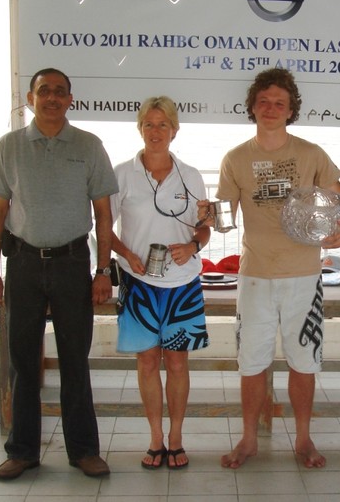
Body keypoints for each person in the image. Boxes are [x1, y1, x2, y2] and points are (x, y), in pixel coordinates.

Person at [197, 68, 340, 469]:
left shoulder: (311, 154)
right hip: (254, 278)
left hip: (304, 277)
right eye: (264, 101)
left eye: (279, 103)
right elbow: (223, 219)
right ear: (252, 107)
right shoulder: (235, 158)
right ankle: (249, 440)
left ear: (291, 111)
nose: (271, 108)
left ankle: (304, 440)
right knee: (251, 364)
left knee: (304, 363)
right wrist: (205, 217)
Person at [0, 68, 118, 479]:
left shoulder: (89, 145)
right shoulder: (8, 147)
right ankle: (22, 451)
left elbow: (103, 213)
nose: (52, 98)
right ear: (30, 98)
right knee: (23, 361)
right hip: (22, 264)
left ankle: (83, 450)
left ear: (70, 100)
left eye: (60, 92)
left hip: (74, 264)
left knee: (75, 359)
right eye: (45, 91)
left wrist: (103, 271)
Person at [110, 96, 211, 470]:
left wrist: (193, 245)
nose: (156, 132)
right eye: (149, 125)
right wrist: (125, 255)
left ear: (175, 130)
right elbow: (105, 227)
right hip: (138, 283)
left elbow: (205, 226)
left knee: (179, 364)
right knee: (149, 363)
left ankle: (177, 437)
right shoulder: (121, 174)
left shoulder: (192, 175)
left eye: (163, 125)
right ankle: (155, 438)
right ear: (140, 129)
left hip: (183, 283)